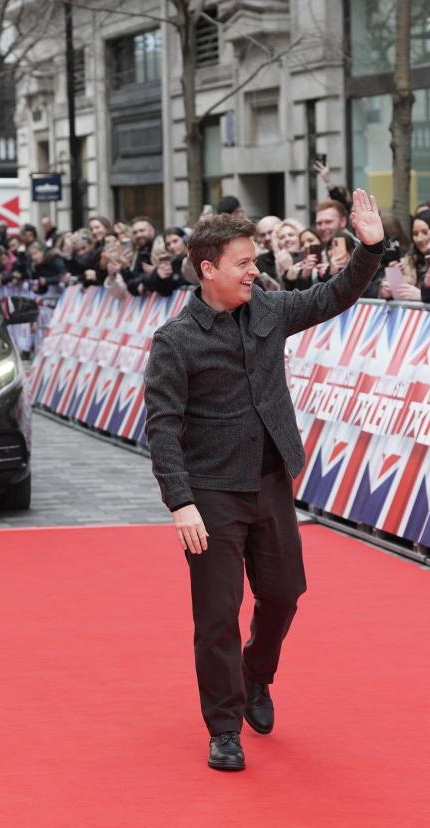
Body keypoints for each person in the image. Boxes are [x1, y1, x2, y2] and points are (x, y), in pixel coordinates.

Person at [143, 190, 385, 772]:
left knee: (283, 595)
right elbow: (162, 427)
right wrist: (181, 503)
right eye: (245, 263)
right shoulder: (175, 342)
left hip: (272, 482)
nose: (257, 270)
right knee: (217, 616)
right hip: (212, 495)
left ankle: (258, 674)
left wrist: (370, 248)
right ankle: (223, 726)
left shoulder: (270, 311)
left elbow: (333, 295)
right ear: (209, 269)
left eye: (256, 260)